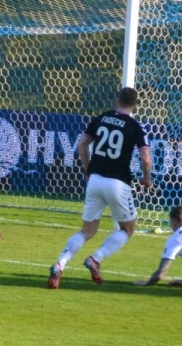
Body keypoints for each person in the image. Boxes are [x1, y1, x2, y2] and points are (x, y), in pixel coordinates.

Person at [47, 86, 153, 289]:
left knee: (87, 230)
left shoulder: (102, 118)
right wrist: (147, 179)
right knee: (128, 229)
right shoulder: (135, 126)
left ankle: (60, 264)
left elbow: (82, 144)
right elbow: (146, 158)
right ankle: (96, 259)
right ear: (135, 105)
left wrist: (88, 170)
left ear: (117, 100)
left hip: (95, 180)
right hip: (118, 183)